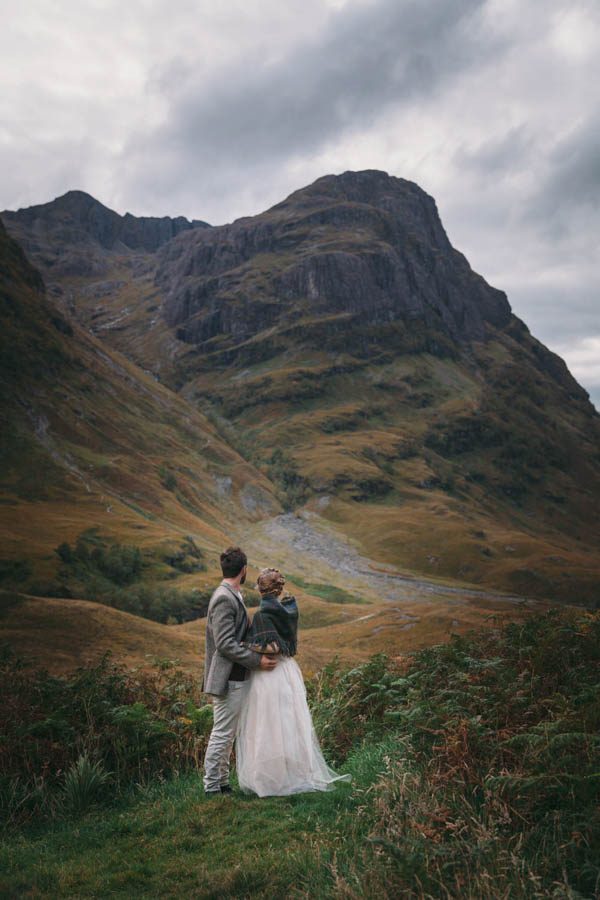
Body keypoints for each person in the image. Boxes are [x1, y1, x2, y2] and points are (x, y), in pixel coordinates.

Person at [235, 567, 351, 797]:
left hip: (270, 673)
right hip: (288, 671)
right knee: (289, 723)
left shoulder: (262, 614)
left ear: (260, 589)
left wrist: (246, 645)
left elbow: (273, 647)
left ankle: (271, 779)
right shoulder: (288, 609)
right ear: (279, 588)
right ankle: (293, 773)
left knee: (268, 723)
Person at [202, 547, 277, 797]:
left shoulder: (232, 593)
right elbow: (225, 644)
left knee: (228, 732)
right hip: (228, 677)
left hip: (236, 676)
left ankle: (222, 783)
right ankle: (212, 786)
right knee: (222, 732)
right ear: (243, 570)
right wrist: (257, 660)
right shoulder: (224, 597)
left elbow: (236, 638)